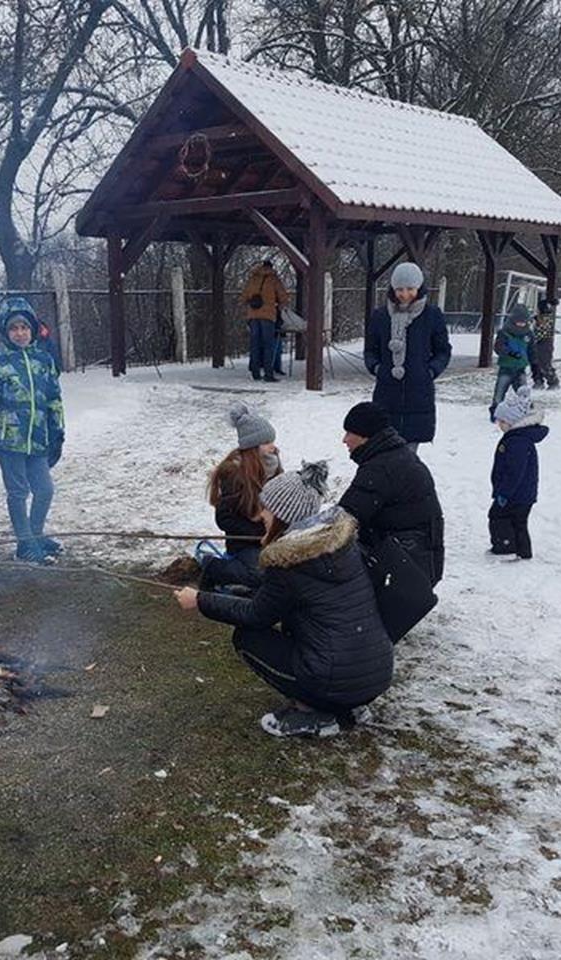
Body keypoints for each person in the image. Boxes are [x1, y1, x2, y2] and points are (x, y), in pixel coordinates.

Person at [175, 461, 394, 739]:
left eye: (265, 508)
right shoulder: (338, 545)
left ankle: (316, 712)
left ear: (282, 516)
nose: (259, 516)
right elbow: (294, 598)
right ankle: (350, 705)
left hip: (336, 679)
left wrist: (201, 600)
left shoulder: (290, 562)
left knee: (247, 638)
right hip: (375, 673)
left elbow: (257, 615)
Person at [339, 401, 444, 641]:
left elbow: (346, 516)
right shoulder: (394, 456)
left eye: (349, 433)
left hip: (407, 563)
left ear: (365, 436)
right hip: (421, 556)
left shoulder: (380, 467)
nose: (344, 440)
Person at [0, 297, 65, 565]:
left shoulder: (44, 359)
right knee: (18, 492)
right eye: (14, 328)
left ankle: (35, 536)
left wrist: (57, 430)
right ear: (6, 331)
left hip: (38, 438)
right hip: (9, 439)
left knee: (45, 489)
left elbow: (54, 398)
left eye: (24, 327)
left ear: (33, 329)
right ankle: (25, 545)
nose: (20, 333)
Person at [363, 262, 452, 447]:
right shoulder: (380, 317)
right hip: (387, 395)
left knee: (408, 458)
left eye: (410, 289)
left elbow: (443, 351)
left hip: (418, 396)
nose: (404, 295)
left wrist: (430, 371)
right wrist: (377, 368)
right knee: (384, 453)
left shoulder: (431, 315)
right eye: (399, 289)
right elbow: (370, 350)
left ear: (419, 287)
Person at [199, 403, 282, 593]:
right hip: (244, 542)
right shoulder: (235, 474)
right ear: (253, 446)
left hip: (273, 535)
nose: (274, 447)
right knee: (260, 574)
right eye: (268, 442)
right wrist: (258, 534)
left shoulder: (274, 465)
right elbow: (224, 519)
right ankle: (213, 567)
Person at [488, 385, 548, 561]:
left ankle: (506, 547)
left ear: (513, 422)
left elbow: (515, 472)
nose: (499, 425)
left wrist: (504, 493)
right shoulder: (517, 439)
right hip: (521, 493)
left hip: (515, 494)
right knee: (518, 522)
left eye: (502, 422)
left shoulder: (517, 443)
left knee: (501, 517)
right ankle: (520, 550)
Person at [238, 260, 290, 382]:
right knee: (268, 345)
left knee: (254, 344)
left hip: (252, 316)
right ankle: (268, 373)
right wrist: (279, 305)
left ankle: (255, 372)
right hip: (268, 316)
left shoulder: (253, 279)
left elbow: (243, 298)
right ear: (271, 267)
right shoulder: (273, 279)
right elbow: (284, 297)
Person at [490, 303, 536, 420]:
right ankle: (495, 412)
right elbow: (498, 347)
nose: (521, 323)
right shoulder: (504, 332)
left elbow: (531, 351)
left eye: (524, 321)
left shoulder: (528, 334)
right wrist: (509, 352)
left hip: (520, 369)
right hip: (506, 368)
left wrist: (534, 365)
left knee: (523, 393)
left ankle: (527, 411)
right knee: (499, 392)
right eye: (519, 321)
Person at [531, 297, 561, 390]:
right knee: (536, 362)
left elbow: (540, 333)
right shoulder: (540, 319)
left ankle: (553, 382)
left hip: (544, 344)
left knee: (544, 363)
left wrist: (532, 339)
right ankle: (538, 380)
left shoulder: (545, 319)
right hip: (539, 344)